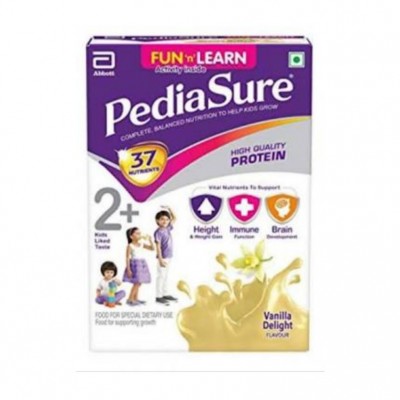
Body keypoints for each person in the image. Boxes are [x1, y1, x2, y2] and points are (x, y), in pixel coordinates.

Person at [123, 227, 154, 306]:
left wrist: (150, 240)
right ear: (131, 236)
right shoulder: (130, 246)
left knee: (139, 283)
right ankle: (130, 299)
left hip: (142, 264)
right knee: (137, 283)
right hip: (135, 265)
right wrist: (128, 269)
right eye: (137, 233)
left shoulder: (141, 244)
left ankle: (135, 299)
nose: (139, 235)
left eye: (140, 233)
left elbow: (152, 248)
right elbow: (127, 258)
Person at [154, 206, 177, 305]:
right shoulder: (158, 232)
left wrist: (169, 208)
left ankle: (165, 293)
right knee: (161, 276)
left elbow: (175, 218)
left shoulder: (167, 228)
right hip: (162, 257)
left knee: (166, 276)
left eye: (167, 219)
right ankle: (158, 296)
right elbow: (158, 246)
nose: (165, 221)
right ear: (157, 220)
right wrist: (160, 259)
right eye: (162, 219)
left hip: (169, 256)